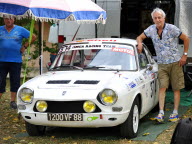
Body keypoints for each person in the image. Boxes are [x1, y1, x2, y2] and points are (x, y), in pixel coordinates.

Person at [136, 8, 189, 123]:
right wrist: (139, 43)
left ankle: (174, 113)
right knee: (162, 87)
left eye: (159, 17)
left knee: (176, 88)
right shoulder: (151, 29)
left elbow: (186, 38)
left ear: (164, 18)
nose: (157, 20)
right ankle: (161, 113)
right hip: (161, 64)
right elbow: (139, 37)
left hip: (175, 62)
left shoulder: (172, 28)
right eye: (155, 18)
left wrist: (184, 55)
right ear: (153, 19)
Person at [0, 17, 36, 109]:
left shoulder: (20, 29)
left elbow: (33, 37)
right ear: (4, 20)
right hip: (1, 60)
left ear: (14, 20)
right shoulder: (0, 29)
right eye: (7, 19)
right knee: (0, 81)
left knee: (15, 81)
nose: (9, 21)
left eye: (11, 19)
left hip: (15, 60)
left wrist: (24, 46)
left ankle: (12, 101)